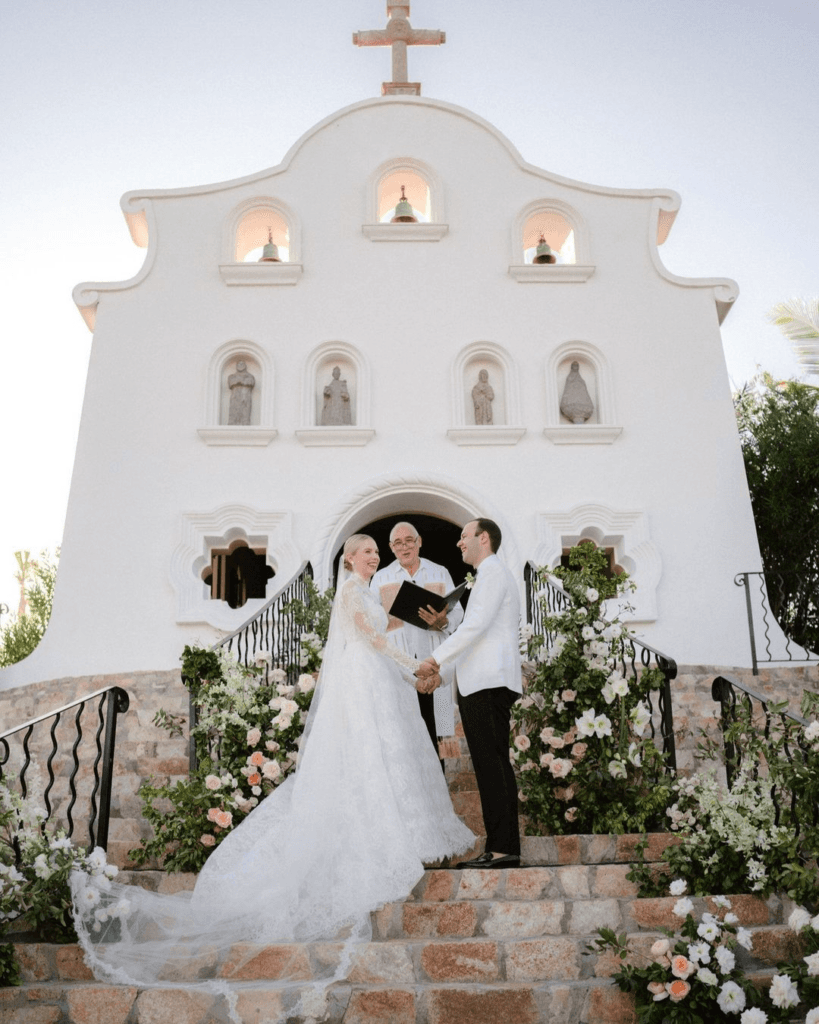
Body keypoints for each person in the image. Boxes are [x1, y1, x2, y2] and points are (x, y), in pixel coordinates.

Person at [70, 534, 474, 1006]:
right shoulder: (349, 590)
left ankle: (403, 832)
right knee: (368, 757)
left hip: (380, 680)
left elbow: (383, 625)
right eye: (369, 552)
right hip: (368, 681)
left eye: (375, 554)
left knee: (387, 759)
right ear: (350, 558)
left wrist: (414, 658)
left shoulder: (366, 590)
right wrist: (417, 665)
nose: (375, 557)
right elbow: (375, 638)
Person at [420, 518, 522, 869]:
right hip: (481, 681)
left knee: (492, 767)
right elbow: (473, 633)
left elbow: (475, 627)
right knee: (491, 766)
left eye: (464, 537)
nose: (459, 543)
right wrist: (443, 675)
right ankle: (502, 846)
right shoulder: (488, 575)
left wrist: (433, 660)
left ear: (483, 538)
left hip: (488, 683)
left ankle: (503, 848)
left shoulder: (493, 572)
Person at [371, 521, 464, 764]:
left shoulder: (440, 572)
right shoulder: (381, 578)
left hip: (436, 663)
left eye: (409, 540)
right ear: (391, 547)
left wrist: (442, 621)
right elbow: (373, 624)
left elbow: (459, 614)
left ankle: (439, 793)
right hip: (400, 667)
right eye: (398, 543)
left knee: (438, 734)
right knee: (405, 736)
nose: (404, 547)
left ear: (419, 541)